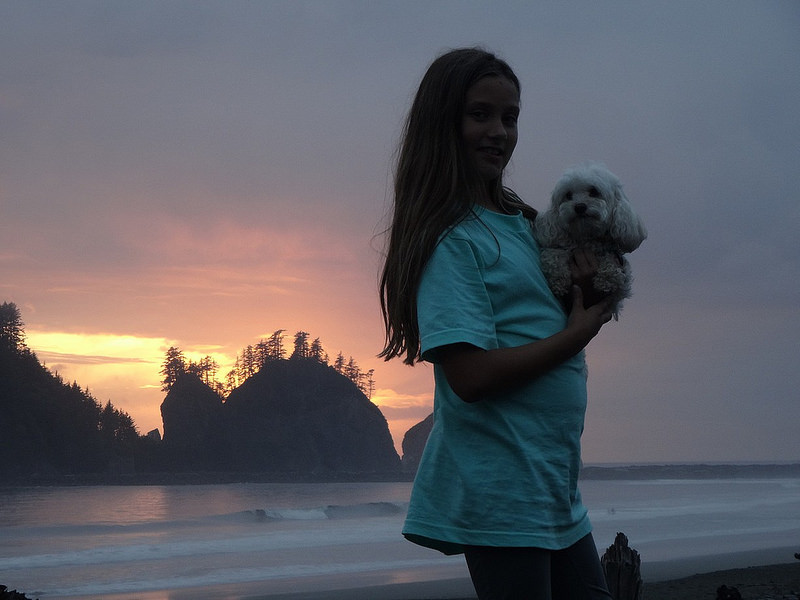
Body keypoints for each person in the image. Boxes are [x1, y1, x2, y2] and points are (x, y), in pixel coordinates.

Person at [379, 47, 614, 600]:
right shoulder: (452, 239)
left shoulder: (526, 223)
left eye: (510, 118)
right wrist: (576, 336)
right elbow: (471, 376)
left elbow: (537, 313)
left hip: (553, 483)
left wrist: (583, 291)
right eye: (479, 114)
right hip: (502, 490)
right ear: (443, 124)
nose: (499, 132)